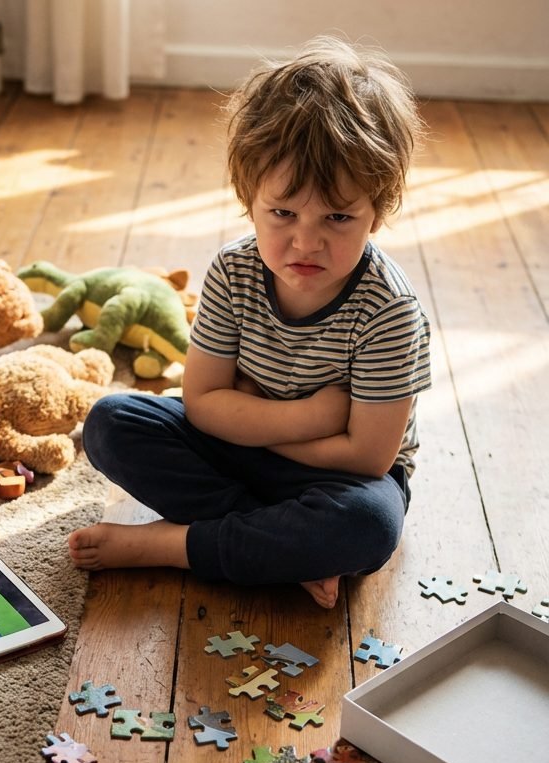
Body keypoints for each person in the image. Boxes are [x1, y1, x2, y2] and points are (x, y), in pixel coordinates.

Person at [69, 36, 430, 609]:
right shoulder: (233, 270)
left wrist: (250, 419)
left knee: (370, 525)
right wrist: (314, 416)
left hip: (337, 477)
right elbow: (202, 404)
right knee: (111, 423)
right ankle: (279, 546)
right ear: (249, 198)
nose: (306, 242)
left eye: (338, 217)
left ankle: (177, 545)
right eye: (283, 212)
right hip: (256, 446)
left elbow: (368, 456)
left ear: (377, 211)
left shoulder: (389, 309)